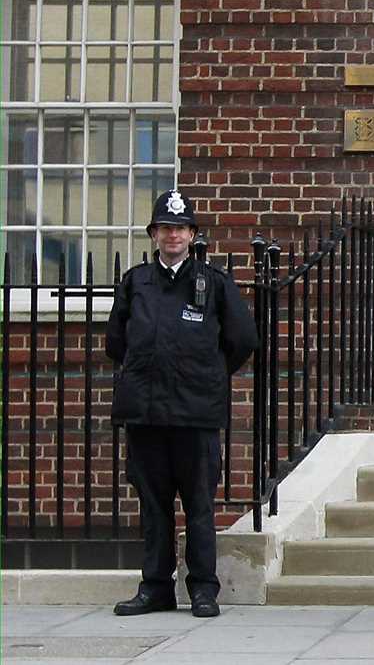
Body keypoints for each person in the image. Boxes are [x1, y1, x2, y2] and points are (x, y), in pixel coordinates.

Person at [106, 190, 257, 619]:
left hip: (194, 415)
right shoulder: (136, 282)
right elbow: (117, 342)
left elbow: (243, 339)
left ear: (192, 235)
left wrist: (207, 373)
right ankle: (155, 587)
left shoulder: (214, 283)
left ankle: (204, 589)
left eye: (181, 227)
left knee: (199, 505)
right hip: (147, 414)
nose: (173, 235)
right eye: (165, 228)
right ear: (154, 235)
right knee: (153, 506)